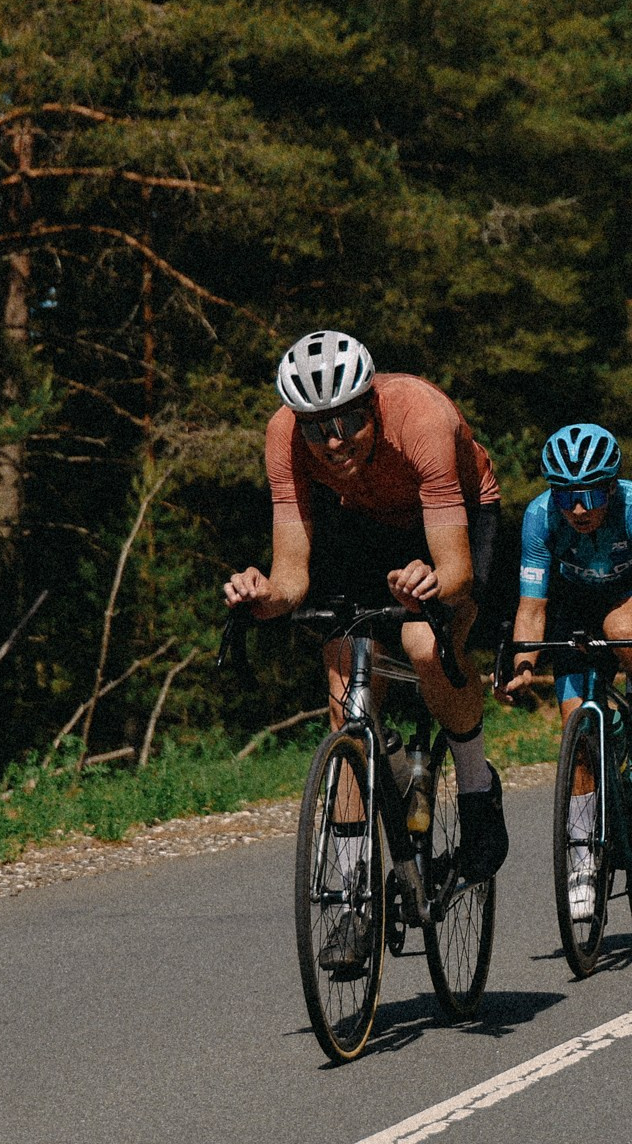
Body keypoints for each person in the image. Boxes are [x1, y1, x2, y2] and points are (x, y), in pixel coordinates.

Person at [222, 328, 510, 978]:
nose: (334, 441)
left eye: (349, 420)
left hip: (455, 519)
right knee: (345, 690)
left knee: (425, 644)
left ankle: (475, 787)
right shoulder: (282, 437)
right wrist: (259, 596)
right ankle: (352, 894)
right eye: (316, 427)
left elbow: (456, 572)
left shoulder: (422, 417)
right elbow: (292, 579)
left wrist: (431, 583)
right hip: (362, 524)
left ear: (372, 404)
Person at [501, 424, 632, 921]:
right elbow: (532, 607)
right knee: (576, 727)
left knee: (624, 626)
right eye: (566, 497)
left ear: (611, 487)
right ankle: (582, 862)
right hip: (578, 602)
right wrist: (523, 664)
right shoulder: (540, 517)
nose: (579, 509)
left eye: (590, 495)